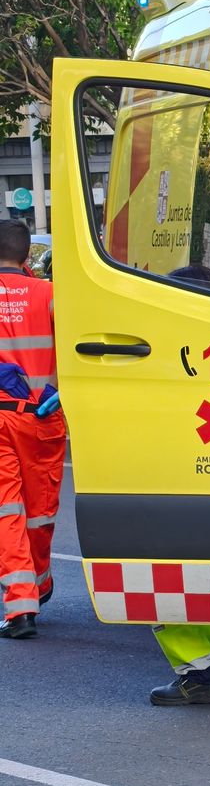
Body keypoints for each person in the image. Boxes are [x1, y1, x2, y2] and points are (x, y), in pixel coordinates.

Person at [0, 220, 66, 640]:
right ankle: (36, 587)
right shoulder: (50, 294)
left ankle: (23, 604)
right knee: (40, 513)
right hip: (42, 416)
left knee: (6, 511)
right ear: (27, 255)